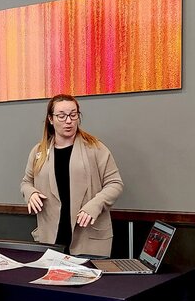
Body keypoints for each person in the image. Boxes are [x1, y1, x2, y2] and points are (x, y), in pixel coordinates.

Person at [20, 94, 123, 257]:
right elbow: (26, 182)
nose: (68, 121)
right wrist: (30, 193)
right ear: (51, 119)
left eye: (73, 115)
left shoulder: (95, 148)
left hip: (88, 238)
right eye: (61, 116)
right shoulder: (38, 151)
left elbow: (115, 183)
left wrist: (95, 204)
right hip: (51, 239)